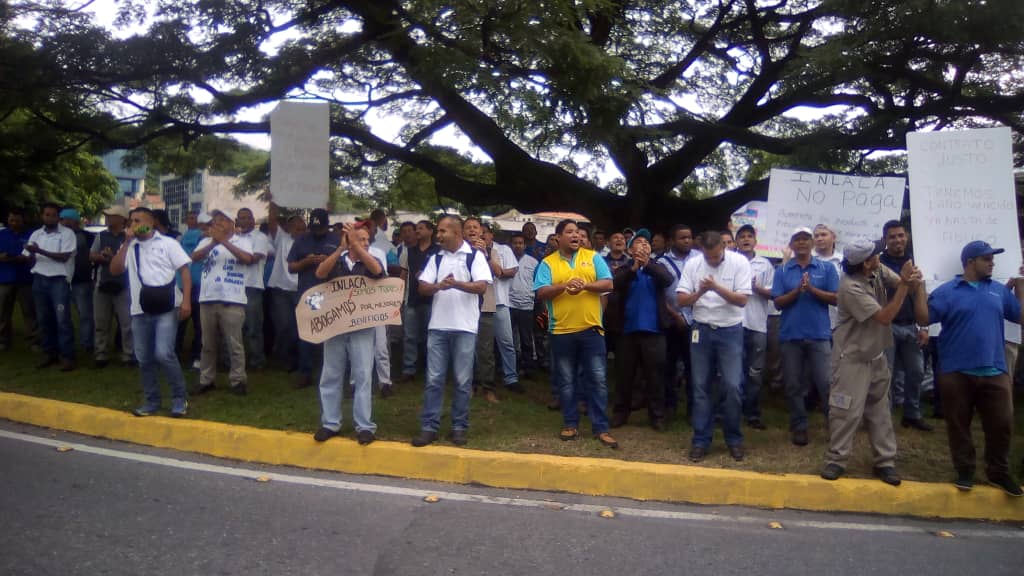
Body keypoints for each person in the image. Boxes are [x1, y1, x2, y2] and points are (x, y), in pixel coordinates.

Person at [920, 241, 1023, 496]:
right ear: (970, 262)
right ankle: (965, 470)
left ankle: (998, 472)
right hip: (956, 369)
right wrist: (917, 289)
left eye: (992, 259)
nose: (992, 263)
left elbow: (1020, 316)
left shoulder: (999, 291)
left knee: (1002, 422)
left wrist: (1020, 282)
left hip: (994, 369)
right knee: (958, 424)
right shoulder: (947, 292)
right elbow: (924, 318)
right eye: (986, 258)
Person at [822, 238, 924, 486]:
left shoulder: (876, 269)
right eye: (876, 254)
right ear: (865, 263)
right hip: (852, 357)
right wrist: (904, 287)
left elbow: (902, 283)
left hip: (875, 354)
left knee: (880, 411)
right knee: (845, 410)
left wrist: (909, 280)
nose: (881, 256)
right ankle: (837, 459)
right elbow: (885, 316)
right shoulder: (850, 288)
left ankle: (885, 462)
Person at [535, 219, 618, 449]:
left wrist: (585, 286)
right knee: (567, 381)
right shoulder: (548, 263)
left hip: (591, 330)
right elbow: (541, 292)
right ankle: (570, 423)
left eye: (578, 233)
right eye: (569, 232)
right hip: (561, 331)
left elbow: (608, 283)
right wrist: (564, 286)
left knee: (598, 381)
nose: (575, 236)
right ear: (558, 237)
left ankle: (601, 427)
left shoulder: (593, 258)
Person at [412, 215, 493, 447]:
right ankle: (429, 427)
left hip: (465, 328)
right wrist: (438, 286)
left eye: (442, 231)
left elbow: (481, 286)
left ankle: (459, 427)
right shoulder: (436, 258)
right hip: (438, 327)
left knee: (462, 380)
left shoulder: (475, 256)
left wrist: (455, 283)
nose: (438, 235)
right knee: (434, 379)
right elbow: (422, 287)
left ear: (456, 233)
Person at [109, 208, 193, 417]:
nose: (134, 224)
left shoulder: (168, 244)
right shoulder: (131, 246)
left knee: (163, 353)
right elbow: (115, 270)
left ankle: (179, 398)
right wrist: (126, 243)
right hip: (140, 309)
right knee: (144, 357)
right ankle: (152, 400)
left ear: (151, 222)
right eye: (131, 221)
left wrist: (187, 302)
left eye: (138, 220)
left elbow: (184, 271)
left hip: (167, 306)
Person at [677, 231, 752, 462]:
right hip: (702, 329)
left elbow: (742, 300)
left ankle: (734, 438)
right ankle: (701, 440)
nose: (712, 261)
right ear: (702, 251)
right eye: (708, 257)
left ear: (724, 247)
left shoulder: (739, 262)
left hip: (730, 330)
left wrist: (716, 287)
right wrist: (701, 290)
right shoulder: (693, 264)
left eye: (716, 256)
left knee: (732, 385)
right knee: (700, 387)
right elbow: (681, 301)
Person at [312, 222, 387, 445]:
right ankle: (330, 423)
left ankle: (364, 426)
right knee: (331, 374)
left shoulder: (372, 259)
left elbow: (378, 272)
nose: (365, 243)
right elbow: (320, 273)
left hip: (362, 327)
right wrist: (340, 249)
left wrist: (358, 247)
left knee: (363, 375)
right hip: (336, 325)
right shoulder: (338, 259)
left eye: (366, 240)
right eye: (360, 239)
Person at [772, 227, 839, 446]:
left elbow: (836, 298)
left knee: (826, 383)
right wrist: (796, 292)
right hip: (791, 336)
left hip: (819, 335)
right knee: (793, 384)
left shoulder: (826, 268)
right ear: (791, 245)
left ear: (811, 243)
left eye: (805, 239)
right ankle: (799, 426)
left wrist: (811, 290)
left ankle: (835, 427)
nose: (801, 243)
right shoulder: (782, 271)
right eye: (797, 240)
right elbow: (778, 302)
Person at [609, 230, 673, 430]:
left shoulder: (658, 267)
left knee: (655, 376)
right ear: (630, 249)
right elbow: (615, 284)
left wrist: (647, 265)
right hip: (627, 331)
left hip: (654, 331)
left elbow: (667, 280)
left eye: (647, 242)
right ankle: (621, 413)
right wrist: (633, 268)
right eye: (639, 242)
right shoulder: (623, 269)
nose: (644, 245)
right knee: (624, 375)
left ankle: (657, 416)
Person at [191, 209, 255, 395]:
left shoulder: (243, 241)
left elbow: (248, 259)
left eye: (221, 220)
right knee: (208, 344)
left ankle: (238, 380)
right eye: (215, 220)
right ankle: (206, 379)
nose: (217, 223)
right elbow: (195, 258)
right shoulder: (205, 241)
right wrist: (213, 242)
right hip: (208, 298)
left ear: (231, 223)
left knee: (234, 344)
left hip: (232, 299)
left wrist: (224, 241)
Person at [878, 220, 933, 432]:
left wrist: (924, 328)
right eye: (892, 237)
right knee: (887, 374)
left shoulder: (917, 261)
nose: (897, 240)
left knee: (917, 371)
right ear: (886, 240)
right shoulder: (879, 263)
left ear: (906, 236)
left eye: (900, 235)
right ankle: (884, 417)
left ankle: (912, 413)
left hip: (911, 325)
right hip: (887, 325)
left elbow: (923, 294)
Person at [287, 209, 340, 388]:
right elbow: (291, 267)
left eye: (320, 229)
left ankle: (331, 372)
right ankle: (305, 372)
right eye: (314, 228)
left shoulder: (336, 239)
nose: (317, 232)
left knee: (331, 334)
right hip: (308, 293)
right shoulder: (301, 240)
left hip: (331, 292)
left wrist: (329, 261)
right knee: (306, 334)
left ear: (327, 225)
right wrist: (307, 262)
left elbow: (347, 263)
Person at [24, 202, 77, 370]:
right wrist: (31, 253)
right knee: (43, 319)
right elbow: (28, 258)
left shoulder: (67, 234)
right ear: (42, 216)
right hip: (39, 278)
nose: (49, 217)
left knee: (62, 319)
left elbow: (64, 257)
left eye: (53, 215)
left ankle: (67, 355)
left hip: (58, 280)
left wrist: (39, 251)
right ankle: (49, 353)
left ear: (58, 217)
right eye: (46, 214)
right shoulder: (36, 234)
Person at [657, 224, 699, 420]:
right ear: (672, 241)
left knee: (694, 368)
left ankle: (693, 410)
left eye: (689, 237)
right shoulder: (661, 263)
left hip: (697, 321)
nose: (687, 241)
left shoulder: (700, 258)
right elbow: (659, 296)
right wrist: (675, 316)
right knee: (669, 366)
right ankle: (669, 406)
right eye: (682, 238)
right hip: (672, 322)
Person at [735, 224, 773, 429]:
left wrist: (756, 287)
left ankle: (752, 413)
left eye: (750, 236)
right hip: (735, 322)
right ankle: (731, 411)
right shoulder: (730, 261)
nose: (746, 239)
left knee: (755, 371)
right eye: (742, 237)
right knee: (733, 370)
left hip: (757, 323)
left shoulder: (765, 264)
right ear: (737, 241)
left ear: (755, 241)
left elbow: (773, 293)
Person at [89, 205, 133, 367]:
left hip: (124, 284)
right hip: (103, 284)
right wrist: (102, 257)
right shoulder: (101, 236)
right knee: (101, 322)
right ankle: (101, 354)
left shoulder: (129, 237)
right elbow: (91, 255)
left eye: (111, 215)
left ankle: (128, 355)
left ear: (121, 219)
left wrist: (112, 258)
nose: (107, 218)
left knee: (127, 323)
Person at [398, 220, 439, 383]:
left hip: (432, 300)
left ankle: (431, 369)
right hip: (412, 299)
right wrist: (399, 297)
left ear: (430, 231)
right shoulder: (409, 251)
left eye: (421, 228)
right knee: (410, 336)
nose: (417, 231)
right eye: (417, 229)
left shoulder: (438, 251)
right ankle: (409, 369)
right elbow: (404, 274)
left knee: (431, 336)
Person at [266, 200, 305, 373]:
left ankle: (298, 359)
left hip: (301, 291)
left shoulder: (309, 241)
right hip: (281, 290)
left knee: (300, 327)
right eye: (297, 228)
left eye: (303, 228)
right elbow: (272, 221)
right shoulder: (281, 238)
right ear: (288, 228)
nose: (301, 232)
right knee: (284, 325)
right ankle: (285, 357)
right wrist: (272, 201)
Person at [484, 223, 523, 395]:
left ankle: (511, 378)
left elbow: (512, 270)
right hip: (479, 303)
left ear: (491, 235)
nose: (482, 236)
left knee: (506, 342)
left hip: (500, 301)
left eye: (485, 233)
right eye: (480, 232)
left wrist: (497, 267)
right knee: (482, 345)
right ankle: (481, 378)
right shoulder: (470, 250)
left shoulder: (503, 250)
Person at [235, 207, 271, 370]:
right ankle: (234, 361)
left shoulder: (260, 237)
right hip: (235, 286)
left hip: (252, 286)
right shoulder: (233, 238)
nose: (244, 220)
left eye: (247, 217)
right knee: (234, 327)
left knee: (253, 327)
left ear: (253, 219)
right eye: (241, 218)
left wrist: (237, 256)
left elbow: (252, 259)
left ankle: (257, 361)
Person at [0, 208, 37, 351]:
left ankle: (34, 340)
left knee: (29, 311)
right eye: (11, 220)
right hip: (4, 277)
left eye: (17, 220)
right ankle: (3, 340)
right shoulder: (2, 234)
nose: (14, 223)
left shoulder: (31, 235)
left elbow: (34, 253)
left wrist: (26, 257)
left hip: (25, 277)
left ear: (23, 220)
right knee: (3, 311)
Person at [59, 208, 94, 355]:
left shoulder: (87, 236)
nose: (61, 222)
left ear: (72, 220)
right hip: (61, 279)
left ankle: (87, 343)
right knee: (61, 313)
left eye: (63, 219)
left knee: (85, 313)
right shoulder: (57, 236)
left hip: (81, 280)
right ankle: (64, 343)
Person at [177, 211, 206, 370]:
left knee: (199, 323)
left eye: (194, 217)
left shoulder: (204, 236)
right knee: (181, 321)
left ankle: (197, 355)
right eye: (189, 217)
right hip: (183, 282)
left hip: (200, 284)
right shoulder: (182, 237)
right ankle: (176, 353)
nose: (192, 220)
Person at [509, 232, 540, 374]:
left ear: (524, 245)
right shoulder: (506, 260)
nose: (518, 245)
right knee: (509, 338)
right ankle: (510, 366)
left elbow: (538, 283)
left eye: (520, 243)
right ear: (511, 245)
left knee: (526, 338)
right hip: (508, 304)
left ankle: (528, 368)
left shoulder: (533, 262)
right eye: (515, 243)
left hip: (526, 305)